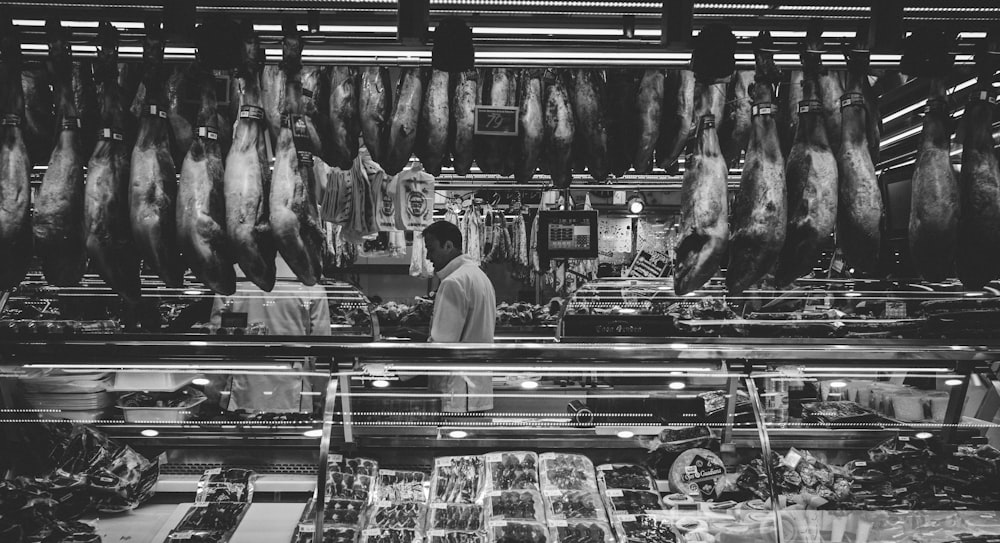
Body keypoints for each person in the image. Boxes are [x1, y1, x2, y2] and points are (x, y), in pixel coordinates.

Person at [207, 255, 331, 414]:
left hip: (242, 392)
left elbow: (218, 343)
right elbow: (321, 351)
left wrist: (213, 390)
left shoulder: (232, 280)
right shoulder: (310, 284)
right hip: (292, 394)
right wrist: (319, 395)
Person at [422, 220, 497, 413]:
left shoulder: (453, 283)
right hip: (479, 392)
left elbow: (442, 344)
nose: (429, 257)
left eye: (431, 249)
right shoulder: (480, 277)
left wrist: (400, 369)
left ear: (448, 246)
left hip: (457, 396)